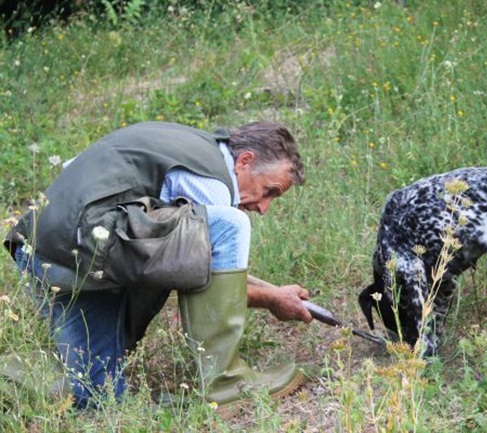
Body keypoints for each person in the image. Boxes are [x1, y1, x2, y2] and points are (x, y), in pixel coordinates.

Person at [2, 120, 313, 416]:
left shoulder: (179, 144)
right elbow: (208, 267)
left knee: (93, 391)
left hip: (41, 251)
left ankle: (9, 376)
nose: (263, 207)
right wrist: (272, 299)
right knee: (230, 225)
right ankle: (227, 383)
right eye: (270, 190)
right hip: (89, 244)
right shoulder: (209, 179)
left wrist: (273, 292)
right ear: (245, 160)